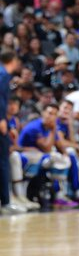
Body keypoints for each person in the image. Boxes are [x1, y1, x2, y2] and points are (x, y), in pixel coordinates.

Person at [0, 51, 26, 215]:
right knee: (3, 162)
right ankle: (5, 202)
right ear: (13, 60)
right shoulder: (3, 74)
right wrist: (2, 119)